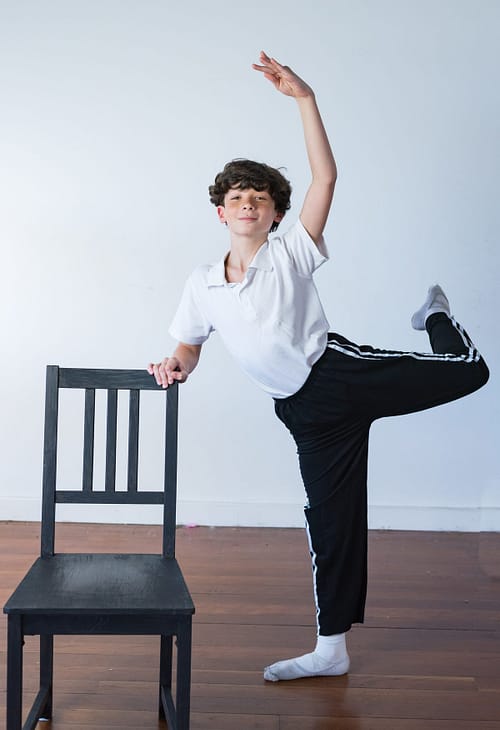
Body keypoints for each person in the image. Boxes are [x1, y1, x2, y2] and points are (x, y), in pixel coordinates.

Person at [148, 51, 489, 682]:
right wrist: (177, 363)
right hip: (304, 413)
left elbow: (325, 179)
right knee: (330, 526)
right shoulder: (202, 283)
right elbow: (190, 345)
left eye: (259, 199)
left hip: (339, 372)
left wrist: (305, 99)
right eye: (237, 198)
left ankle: (436, 314)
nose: (248, 205)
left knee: (470, 371)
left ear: (275, 213)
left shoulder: (291, 252)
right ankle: (331, 650)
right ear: (220, 212)